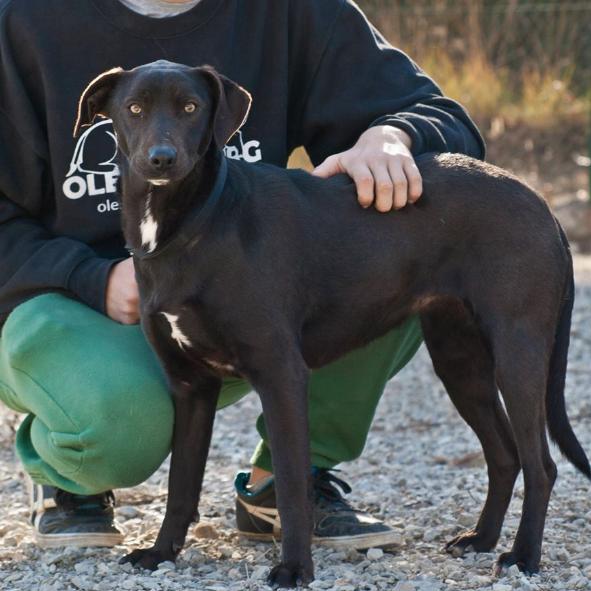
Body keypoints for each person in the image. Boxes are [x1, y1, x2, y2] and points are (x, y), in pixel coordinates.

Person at [0, 0, 484, 549]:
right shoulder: (26, 21)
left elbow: (444, 120)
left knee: (400, 261)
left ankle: (283, 481)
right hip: (77, 302)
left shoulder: (294, 13)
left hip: (244, 297)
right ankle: (66, 474)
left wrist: (395, 135)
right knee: (119, 425)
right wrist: (89, 276)